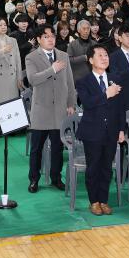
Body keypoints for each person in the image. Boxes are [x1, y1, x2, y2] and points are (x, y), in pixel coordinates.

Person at [74, 45, 126, 215]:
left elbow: (120, 107)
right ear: (90, 60)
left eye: (106, 55)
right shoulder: (83, 81)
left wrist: (121, 129)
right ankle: (94, 201)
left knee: (106, 167)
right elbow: (87, 103)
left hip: (111, 131)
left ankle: (103, 200)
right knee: (93, 167)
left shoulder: (114, 78)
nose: (105, 58)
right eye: (100, 55)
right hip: (92, 132)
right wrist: (106, 94)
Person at [25, 26, 76, 193]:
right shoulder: (31, 57)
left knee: (57, 148)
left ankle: (56, 177)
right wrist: (52, 69)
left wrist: (71, 104)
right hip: (41, 110)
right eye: (46, 36)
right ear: (39, 39)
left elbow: (69, 82)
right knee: (36, 149)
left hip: (60, 109)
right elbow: (33, 79)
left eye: (52, 36)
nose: (50, 39)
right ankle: (34, 179)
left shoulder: (63, 55)